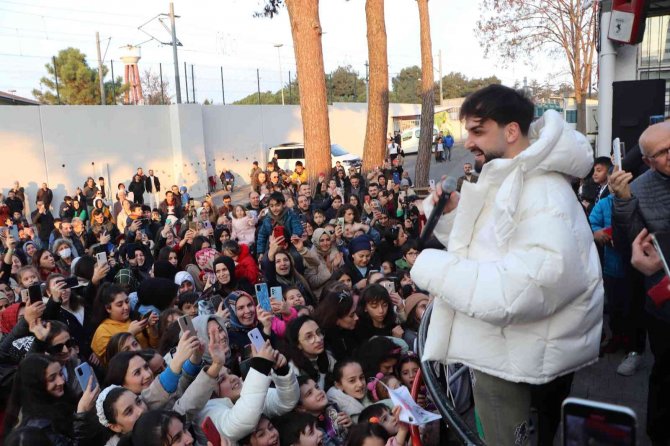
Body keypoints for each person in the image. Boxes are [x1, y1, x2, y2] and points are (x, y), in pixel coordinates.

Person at [410, 84, 603, 445]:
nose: (468, 142)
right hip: (511, 352)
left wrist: (430, 268)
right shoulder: (518, 180)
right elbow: (492, 252)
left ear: (511, 131)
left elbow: (523, 288)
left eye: (478, 130)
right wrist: (451, 217)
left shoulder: (542, 192)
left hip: (519, 364)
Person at [610, 120, 670, 444]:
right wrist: (622, 201)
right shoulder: (641, 188)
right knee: (665, 373)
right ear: (646, 161)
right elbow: (628, 243)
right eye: (662, 153)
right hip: (664, 303)